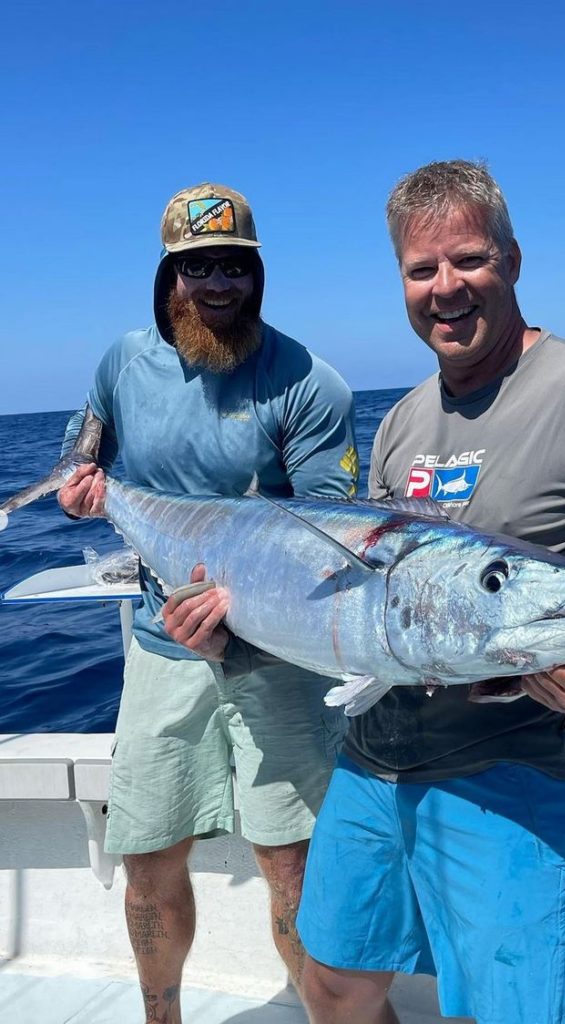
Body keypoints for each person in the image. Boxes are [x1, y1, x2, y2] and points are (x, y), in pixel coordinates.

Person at [296, 161, 565, 1024]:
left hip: (508, 775)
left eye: (469, 260)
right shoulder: (402, 420)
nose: (445, 288)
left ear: (513, 259)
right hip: (371, 758)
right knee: (335, 982)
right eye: (421, 271)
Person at [58, 182, 359, 1022]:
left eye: (234, 265)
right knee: (149, 859)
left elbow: (330, 543)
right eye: (197, 267)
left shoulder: (307, 383)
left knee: (292, 864)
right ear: (167, 277)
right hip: (161, 647)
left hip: (277, 658)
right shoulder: (122, 361)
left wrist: (239, 635)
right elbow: (89, 434)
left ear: (257, 274)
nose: (217, 283)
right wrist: (81, 476)